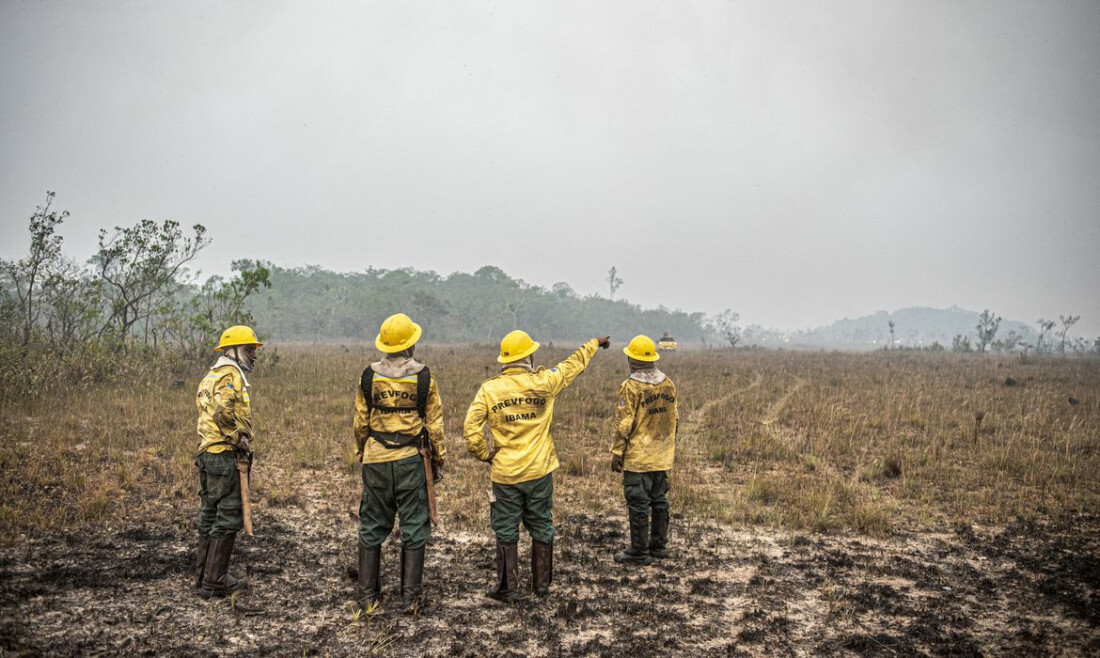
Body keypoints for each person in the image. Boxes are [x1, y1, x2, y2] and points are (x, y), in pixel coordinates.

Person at [465, 330, 610, 601]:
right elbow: (572, 366)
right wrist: (594, 344)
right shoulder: (545, 382)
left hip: (506, 474)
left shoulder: (489, 389)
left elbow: (470, 430)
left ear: (504, 361)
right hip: (539, 471)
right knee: (542, 524)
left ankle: (508, 588)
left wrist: (484, 454)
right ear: (529, 357)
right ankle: (541, 586)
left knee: (505, 528)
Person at [353, 313, 445, 613]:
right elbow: (435, 425)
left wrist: (362, 451)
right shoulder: (424, 377)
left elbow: (360, 423)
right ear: (410, 344)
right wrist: (439, 458)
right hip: (411, 460)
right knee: (414, 526)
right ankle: (411, 598)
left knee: (372, 525)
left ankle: (367, 596)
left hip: (375, 460)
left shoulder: (368, 376)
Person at [195, 325, 263, 598]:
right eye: (249, 349)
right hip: (224, 455)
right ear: (232, 350)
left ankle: (203, 576)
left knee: (209, 514)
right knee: (228, 516)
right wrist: (238, 439)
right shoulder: (229, 375)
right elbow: (224, 411)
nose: (254, 355)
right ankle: (216, 579)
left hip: (207, 454)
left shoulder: (210, 375)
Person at [610, 335, 679, 565]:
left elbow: (624, 424)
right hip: (661, 456)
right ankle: (658, 546)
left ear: (631, 359)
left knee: (638, 502)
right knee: (659, 500)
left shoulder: (631, 387)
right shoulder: (668, 384)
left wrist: (617, 452)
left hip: (638, 459)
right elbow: (675, 420)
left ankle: (639, 551)